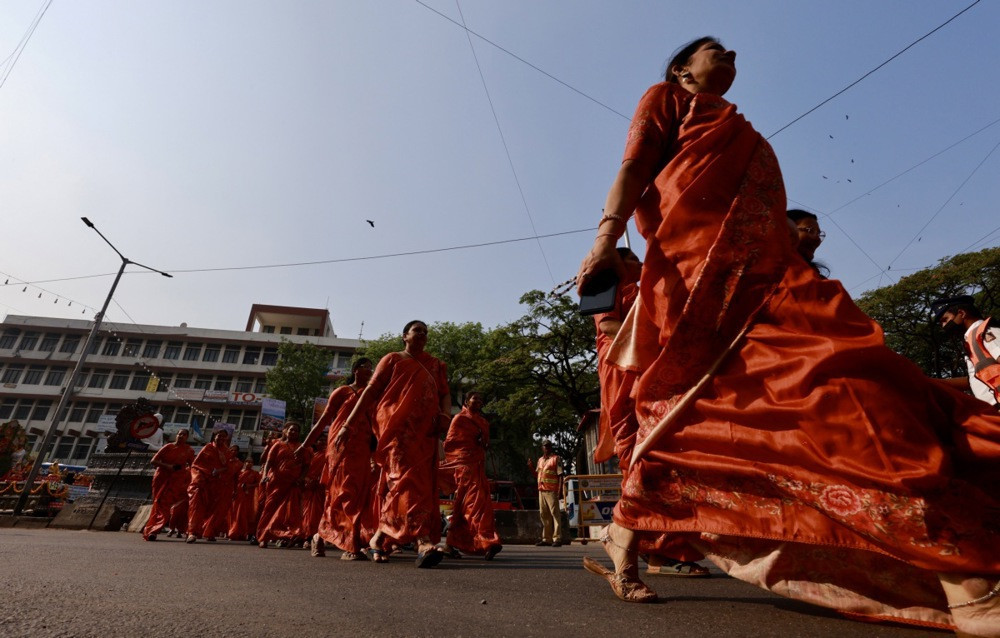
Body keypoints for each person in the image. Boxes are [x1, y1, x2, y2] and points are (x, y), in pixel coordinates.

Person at [576, 36, 1000, 635]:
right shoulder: (665, 100)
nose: (732, 57)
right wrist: (602, 241)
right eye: (716, 50)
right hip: (701, 289)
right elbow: (632, 170)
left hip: (771, 282)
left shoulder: (746, 136)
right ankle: (965, 583)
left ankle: (627, 527)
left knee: (839, 393)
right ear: (682, 68)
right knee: (824, 400)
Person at [592, 248, 709, 578]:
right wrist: (657, 338)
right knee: (640, 458)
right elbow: (610, 326)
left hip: (655, 368)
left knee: (667, 457)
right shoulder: (602, 284)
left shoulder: (653, 288)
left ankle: (666, 545)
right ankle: (655, 550)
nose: (640, 264)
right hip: (622, 371)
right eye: (631, 259)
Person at [337, 320, 451, 568]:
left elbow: (444, 393)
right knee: (405, 481)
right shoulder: (392, 359)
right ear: (404, 336)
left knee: (417, 484)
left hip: (425, 433)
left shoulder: (435, 364)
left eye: (425, 331)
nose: (422, 334)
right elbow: (370, 391)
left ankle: (378, 538)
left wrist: (445, 415)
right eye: (416, 330)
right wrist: (347, 424)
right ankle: (421, 541)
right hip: (397, 431)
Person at [300, 358, 376, 560]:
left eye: (371, 367)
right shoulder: (342, 391)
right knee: (343, 492)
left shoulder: (372, 395)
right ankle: (350, 545)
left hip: (362, 448)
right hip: (341, 444)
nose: (369, 370)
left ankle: (321, 535)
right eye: (365, 366)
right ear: (355, 370)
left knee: (359, 494)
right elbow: (324, 420)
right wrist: (305, 445)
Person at [441, 392, 502, 560]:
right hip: (465, 468)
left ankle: (451, 544)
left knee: (476, 506)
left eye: (481, 399)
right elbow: (451, 444)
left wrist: (483, 442)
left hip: (478, 467)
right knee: (472, 506)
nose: (478, 401)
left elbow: (486, 445)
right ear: (467, 401)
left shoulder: (483, 422)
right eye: (475, 398)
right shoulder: (459, 419)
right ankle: (486, 541)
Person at [933, 295, 1000, 408]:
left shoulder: (985, 332)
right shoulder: (971, 341)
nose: (943, 326)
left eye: (945, 320)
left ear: (962, 313)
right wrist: (929, 382)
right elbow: (974, 381)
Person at [256, 422, 306, 548]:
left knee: (288, 512)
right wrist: (264, 475)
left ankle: (285, 535)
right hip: (275, 482)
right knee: (269, 510)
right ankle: (263, 537)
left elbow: (306, 465)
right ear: (285, 431)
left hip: (292, 484)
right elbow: (268, 462)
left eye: (296, 430)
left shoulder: (302, 447)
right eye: (291, 430)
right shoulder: (277, 445)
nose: (293, 432)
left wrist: (301, 478)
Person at [143, 428, 194, 541]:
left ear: (187, 437)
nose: (181, 436)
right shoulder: (168, 447)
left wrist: (188, 479)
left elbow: (192, 466)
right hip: (161, 477)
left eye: (184, 435)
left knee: (165, 505)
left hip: (177, 479)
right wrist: (168, 466)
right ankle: (153, 530)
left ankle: (155, 530)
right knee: (159, 503)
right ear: (176, 435)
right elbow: (153, 461)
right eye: (179, 434)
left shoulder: (189, 450)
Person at [185, 428, 233, 543]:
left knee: (215, 510)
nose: (221, 438)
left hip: (217, 484)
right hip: (203, 483)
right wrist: (200, 478)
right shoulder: (208, 448)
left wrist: (219, 471)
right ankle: (192, 533)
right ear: (214, 436)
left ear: (226, 439)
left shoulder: (227, 452)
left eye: (223, 436)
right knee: (197, 507)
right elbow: (196, 465)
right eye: (219, 436)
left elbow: (228, 468)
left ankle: (209, 531)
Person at [531, 441, 563, 547]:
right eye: (545, 446)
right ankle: (546, 538)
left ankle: (557, 538)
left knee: (555, 514)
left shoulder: (556, 459)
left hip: (552, 490)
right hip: (542, 490)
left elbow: (560, 475)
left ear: (551, 447)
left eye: (548, 446)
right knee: (544, 515)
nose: (547, 448)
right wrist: (530, 467)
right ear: (542, 448)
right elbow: (537, 475)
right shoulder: (540, 460)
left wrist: (560, 490)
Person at [228, 458, 261, 543]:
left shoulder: (255, 473)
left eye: (251, 462)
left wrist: (250, 486)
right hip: (237, 495)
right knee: (235, 514)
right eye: (247, 462)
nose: (249, 463)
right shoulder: (238, 472)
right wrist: (234, 491)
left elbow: (258, 483)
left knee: (245, 515)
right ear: (244, 463)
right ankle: (234, 533)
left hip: (248, 497)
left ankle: (244, 533)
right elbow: (233, 482)